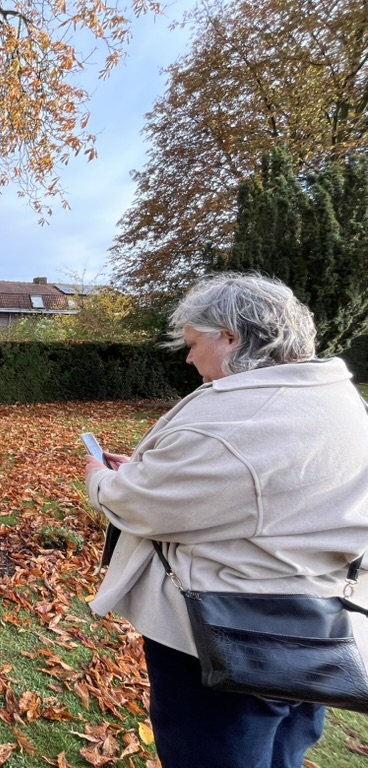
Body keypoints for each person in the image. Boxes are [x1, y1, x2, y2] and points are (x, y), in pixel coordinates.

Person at [84, 272, 368, 768]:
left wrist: (100, 478)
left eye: (194, 343)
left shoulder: (242, 418)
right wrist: (161, 474)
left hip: (228, 634)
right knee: (282, 753)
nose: (189, 358)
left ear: (231, 337)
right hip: (318, 626)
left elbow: (140, 505)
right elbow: (252, 490)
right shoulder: (337, 399)